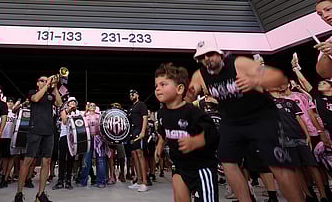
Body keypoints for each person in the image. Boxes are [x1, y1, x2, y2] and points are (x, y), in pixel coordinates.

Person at [187, 40, 303, 202]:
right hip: (232, 120)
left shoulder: (239, 63)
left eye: (210, 54)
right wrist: (187, 96)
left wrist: (255, 81)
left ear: (220, 54)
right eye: (202, 57)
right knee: (227, 161)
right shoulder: (200, 75)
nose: (207, 58)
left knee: (277, 164)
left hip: (260, 117)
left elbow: (279, 78)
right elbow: (189, 95)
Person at [155, 62, 220, 202]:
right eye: (156, 86)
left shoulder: (193, 113)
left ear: (179, 89)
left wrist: (196, 141)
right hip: (179, 166)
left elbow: (212, 133)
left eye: (163, 84)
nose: (158, 89)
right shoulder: (161, 114)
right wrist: (160, 143)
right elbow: (163, 131)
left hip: (201, 168)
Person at [14, 74, 63, 202]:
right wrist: (47, 85)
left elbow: (59, 103)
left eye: (46, 80)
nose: (45, 82)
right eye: (42, 80)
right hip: (35, 130)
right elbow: (35, 99)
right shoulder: (33, 92)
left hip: (49, 131)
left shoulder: (50, 95)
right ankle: (19, 193)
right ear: (38, 83)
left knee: (46, 161)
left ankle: (40, 194)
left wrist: (55, 87)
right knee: (28, 160)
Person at [53, 96, 80, 190]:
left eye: (74, 102)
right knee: (61, 158)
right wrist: (68, 110)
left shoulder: (78, 112)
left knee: (71, 158)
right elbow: (64, 121)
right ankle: (60, 180)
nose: (73, 103)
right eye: (71, 102)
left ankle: (68, 180)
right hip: (64, 136)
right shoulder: (63, 111)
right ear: (68, 104)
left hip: (73, 138)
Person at [127, 89, 149, 192]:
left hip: (139, 131)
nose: (131, 95)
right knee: (134, 155)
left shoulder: (141, 105)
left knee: (140, 154)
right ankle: (139, 180)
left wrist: (143, 131)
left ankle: (145, 182)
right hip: (132, 131)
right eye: (130, 95)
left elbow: (145, 118)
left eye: (133, 94)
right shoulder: (131, 108)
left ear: (137, 95)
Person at [315, 0, 332, 78]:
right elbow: (324, 74)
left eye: (328, 9)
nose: (324, 16)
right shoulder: (329, 42)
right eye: (320, 14)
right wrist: (326, 53)